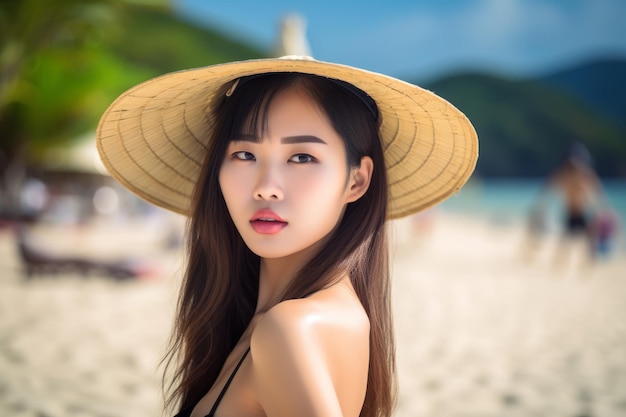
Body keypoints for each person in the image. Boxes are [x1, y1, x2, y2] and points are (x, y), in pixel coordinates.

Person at [96, 56, 478, 417]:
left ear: (356, 180)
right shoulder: (270, 319)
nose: (266, 188)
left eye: (302, 157)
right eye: (245, 154)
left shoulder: (291, 330)